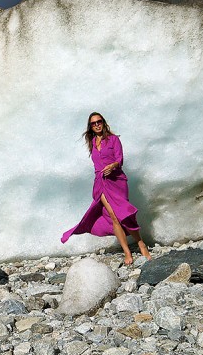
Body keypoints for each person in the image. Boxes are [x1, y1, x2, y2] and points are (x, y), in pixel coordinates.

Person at [61, 112, 152, 265]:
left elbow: (119, 159)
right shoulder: (92, 142)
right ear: (90, 127)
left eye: (99, 121)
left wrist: (113, 165)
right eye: (93, 123)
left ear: (103, 123)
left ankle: (141, 243)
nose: (96, 125)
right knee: (113, 216)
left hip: (117, 181)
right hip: (101, 183)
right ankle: (127, 252)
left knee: (124, 214)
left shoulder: (113, 139)